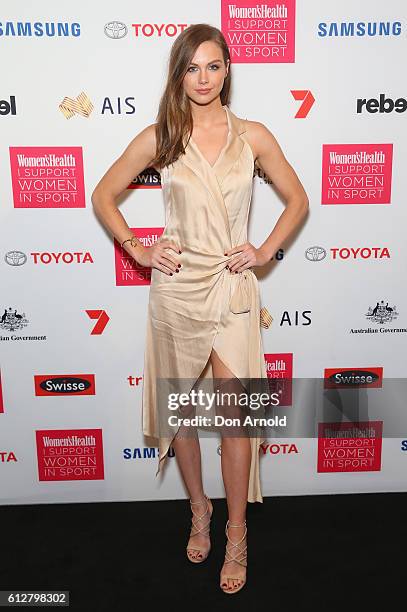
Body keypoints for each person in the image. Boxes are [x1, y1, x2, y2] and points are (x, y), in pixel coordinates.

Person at [91, 23, 309, 595]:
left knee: (235, 421)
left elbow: (298, 199)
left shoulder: (253, 136)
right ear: (179, 74)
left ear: (228, 69)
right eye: (192, 68)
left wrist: (263, 251)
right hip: (178, 290)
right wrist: (140, 248)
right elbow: (103, 195)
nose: (204, 78)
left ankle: (237, 533)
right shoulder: (162, 134)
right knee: (183, 417)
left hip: (234, 290)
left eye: (213, 66)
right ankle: (199, 510)